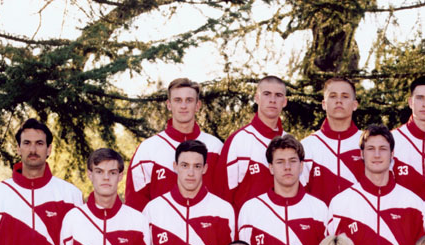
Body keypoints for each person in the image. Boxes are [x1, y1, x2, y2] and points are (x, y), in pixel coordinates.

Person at [327, 124, 425, 245]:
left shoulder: (414, 203)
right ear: (361, 154)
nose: (377, 155)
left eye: (383, 149)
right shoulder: (341, 203)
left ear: (392, 154)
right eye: (371, 149)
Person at [235, 134, 329, 245]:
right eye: (280, 162)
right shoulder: (251, 210)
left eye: (292, 161)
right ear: (270, 167)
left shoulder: (319, 209)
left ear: (301, 166)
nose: (287, 167)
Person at [143, 139, 235, 245]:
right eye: (185, 165)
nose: (191, 173)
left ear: (205, 168)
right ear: (175, 166)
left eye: (197, 166)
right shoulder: (154, 210)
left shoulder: (223, 209)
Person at [125, 78, 223, 211]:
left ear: (197, 105)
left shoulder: (215, 147)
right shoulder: (148, 149)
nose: (183, 106)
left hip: (205, 229)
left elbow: (223, 198)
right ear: (169, 105)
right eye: (178, 100)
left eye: (189, 100)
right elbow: (135, 203)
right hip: (160, 230)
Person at [212, 75, 288, 212]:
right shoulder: (238, 141)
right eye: (266, 94)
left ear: (284, 101)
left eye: (278, 95)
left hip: (283, 229)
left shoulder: (290, 142)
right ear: (257, 97)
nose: (272, 100)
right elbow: (221, 195)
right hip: (247, 229)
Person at [301, 77, 363, 204]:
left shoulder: (368, 144)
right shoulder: (307, 146)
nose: (339, 101)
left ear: (354, 105)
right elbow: (299, 194)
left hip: (361, 221)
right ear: (324, 104)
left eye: (345, 96)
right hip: (319, 222)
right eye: (333, 96)